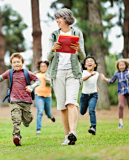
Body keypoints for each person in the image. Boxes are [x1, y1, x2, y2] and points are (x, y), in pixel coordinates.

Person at [46, 8, 86, 145]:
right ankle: (67, 136)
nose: (57, 20)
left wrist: (79, 50)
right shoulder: (53, 34)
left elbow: (83, 57)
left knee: (71, 103)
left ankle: (73, 132)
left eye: (59, 18)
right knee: (62, 106)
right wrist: (53, 49)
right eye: (56, 18)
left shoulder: (77, 33)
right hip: (57, 73)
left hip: (73, 72)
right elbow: (48, 57)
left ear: (66, 18)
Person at [0, 53, 41, 146]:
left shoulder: (27, 73)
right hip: (15, 100)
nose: (16, 64)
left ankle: (26, 120)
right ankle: (17, 136)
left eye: (18, 62)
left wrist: (32, 87)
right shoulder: (9, 72)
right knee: (16, 119)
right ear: (11, 64)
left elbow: (38, 81)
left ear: (22, 63)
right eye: (14, 62)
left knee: (28, 119)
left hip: (27, 101)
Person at [100, 59, 129, 129]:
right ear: (118, 66)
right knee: (120, 105)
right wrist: (104, 78)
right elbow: (111, 81)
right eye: (120, 65)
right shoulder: (116, 73)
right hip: (121, 92)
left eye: (122, 65)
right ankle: (121, 123)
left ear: (125, 65)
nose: (121, 66)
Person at [34, 60, 55, 135]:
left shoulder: (49, 74)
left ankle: (51, 117)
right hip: (38, 95)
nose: (43, 67)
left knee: (48, 113)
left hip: (48, 96)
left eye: (44, 66)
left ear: (47, 67)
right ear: (39, 67)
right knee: (40, 111)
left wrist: (48, 79)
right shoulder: (36, 74)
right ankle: (38, 129)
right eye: (41, 66)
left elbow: (55, 83)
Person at [80, 56, 99, 135]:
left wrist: (97, 87)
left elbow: (93, 82)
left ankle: (93, 127)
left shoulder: (97, 73)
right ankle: (82, 110)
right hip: (84, 96)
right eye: (87, 62)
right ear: (85, 65)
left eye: (91, 61)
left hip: (93, 95)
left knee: (91, 110)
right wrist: (90, 75)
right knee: (82, 112)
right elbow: (83, 79)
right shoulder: (84, 72)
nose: (89, 62)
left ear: (95, 65)